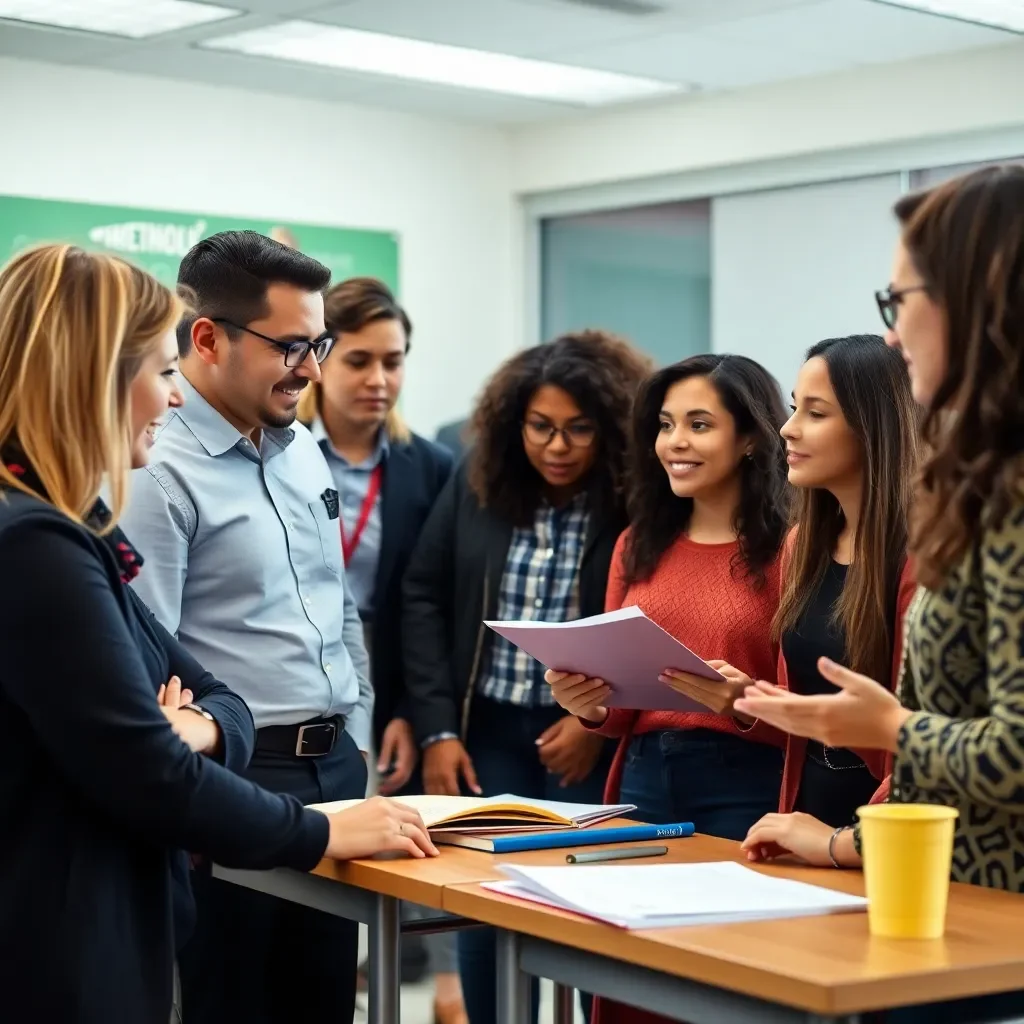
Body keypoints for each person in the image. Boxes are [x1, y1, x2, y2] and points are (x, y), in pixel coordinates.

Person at [0, 244, 435, 1024]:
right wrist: (307, 825)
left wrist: (209, 723)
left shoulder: (63, 530)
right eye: (160, 372)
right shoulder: (36, 543)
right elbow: (147, 760)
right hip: (70, 909)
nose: (170, 401)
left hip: (273, 786)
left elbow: (216, 694)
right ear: (94, 376)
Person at [733, 165, 1024, 1023]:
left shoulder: (1011, 497)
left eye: (902, 302)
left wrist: (889, 730)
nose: (893, 338)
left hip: (988, 934)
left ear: (979, 300)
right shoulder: (980, 486)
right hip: (945, 911)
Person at [117, 231, 375, 1024]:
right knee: (234, 1004)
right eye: (292, 346)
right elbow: (150, 657)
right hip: (234, 779)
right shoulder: (157, 466)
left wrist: (355, 726)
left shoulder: (299, 445)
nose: (312, 368)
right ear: (207, 338)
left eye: (319, 343)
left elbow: (339, 604)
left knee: (325, 1002)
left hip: (336, 770)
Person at [403, 330, 652, 1024]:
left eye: (579, 430)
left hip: (581, 732)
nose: (558, 446)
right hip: (486, 729)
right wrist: (437, 730)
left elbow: (644, 620)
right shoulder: (479, 475)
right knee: (488, 903)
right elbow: (423, 594)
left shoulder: (634, 497)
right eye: (540, 427)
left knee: (584, 904)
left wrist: (596, 727)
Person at [670, 337, 915, 865]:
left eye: (816, 412)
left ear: (874, 428)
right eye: (794, 408)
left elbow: (926, 750)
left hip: (883, 842)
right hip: (808, 830)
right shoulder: (803, 543)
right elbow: (809, 716)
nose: (787, 428)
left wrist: (840, 845)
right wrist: (744, 701)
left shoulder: (920, 560)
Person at [296, 276, 462, 1024]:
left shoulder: (428, 467)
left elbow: (422, 604)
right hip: (290, 680)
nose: (379, 380)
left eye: (393, 361)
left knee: (381, 859)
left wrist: (405, 711)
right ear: (319, 359)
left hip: (380, 678)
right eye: (359, 361)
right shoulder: (284, 449)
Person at [545, 354, 789, 839]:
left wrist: (743, 704)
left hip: (749, 780)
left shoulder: (792, 549)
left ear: (750, 438)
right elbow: (618, 712)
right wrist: (588, 706)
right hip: (644, 775)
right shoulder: (636, 544)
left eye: (699, 425)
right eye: (665, 424)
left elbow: (816, 710)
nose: (675, 442)